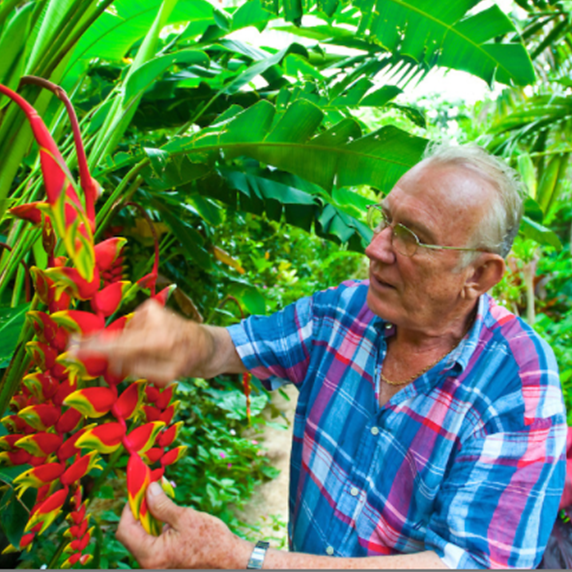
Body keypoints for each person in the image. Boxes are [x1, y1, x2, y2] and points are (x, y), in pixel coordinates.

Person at [75, 144, 566, 569]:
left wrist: (240, 559)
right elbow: (234, 348)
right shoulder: (344, 311)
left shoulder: (519, 385)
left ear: (479, 275)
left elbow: (472, 565)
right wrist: (185, 344)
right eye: (385, 219)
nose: (376, 248)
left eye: (412, 237)